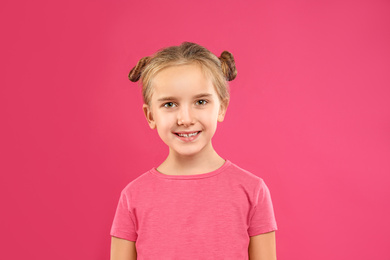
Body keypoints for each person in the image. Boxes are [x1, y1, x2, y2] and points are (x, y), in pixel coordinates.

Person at [110, 42, 277, 260]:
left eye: (200, 101)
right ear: (150, 115)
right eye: (170, 104)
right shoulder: (132, 197)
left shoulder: (252, 191)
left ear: (222, 107)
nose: (186, 119)